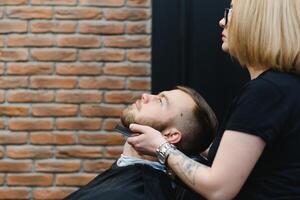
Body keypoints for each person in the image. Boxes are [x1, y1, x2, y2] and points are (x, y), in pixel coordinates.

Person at [127, 0, 300, 199]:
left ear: (256, 23)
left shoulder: (267, 92)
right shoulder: (285, 87)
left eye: (230, 13)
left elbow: (219, 189)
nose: (221, 22)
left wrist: (160, 147)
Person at [64, 86, 218, 200]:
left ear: (171, 135)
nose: (145, 96)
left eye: (161, 101)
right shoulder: (128, 176)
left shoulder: (130, 194)